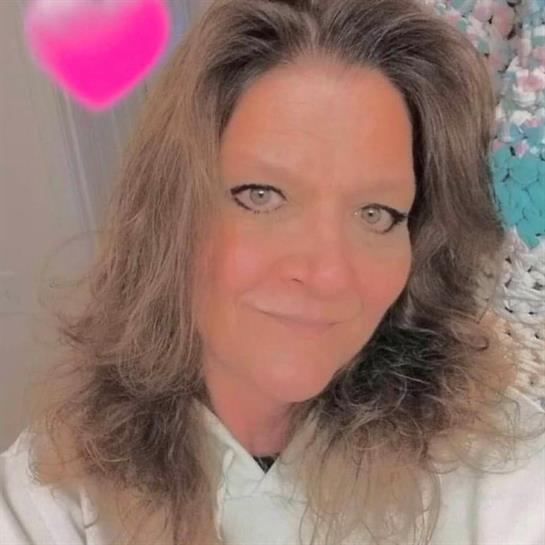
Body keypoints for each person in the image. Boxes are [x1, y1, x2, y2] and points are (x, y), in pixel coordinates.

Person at [1, 1, 544, 544]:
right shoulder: (52, 492)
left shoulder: (497, 468)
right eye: (261, 196)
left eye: (376, 214)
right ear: (169, 214)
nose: (329, 274)